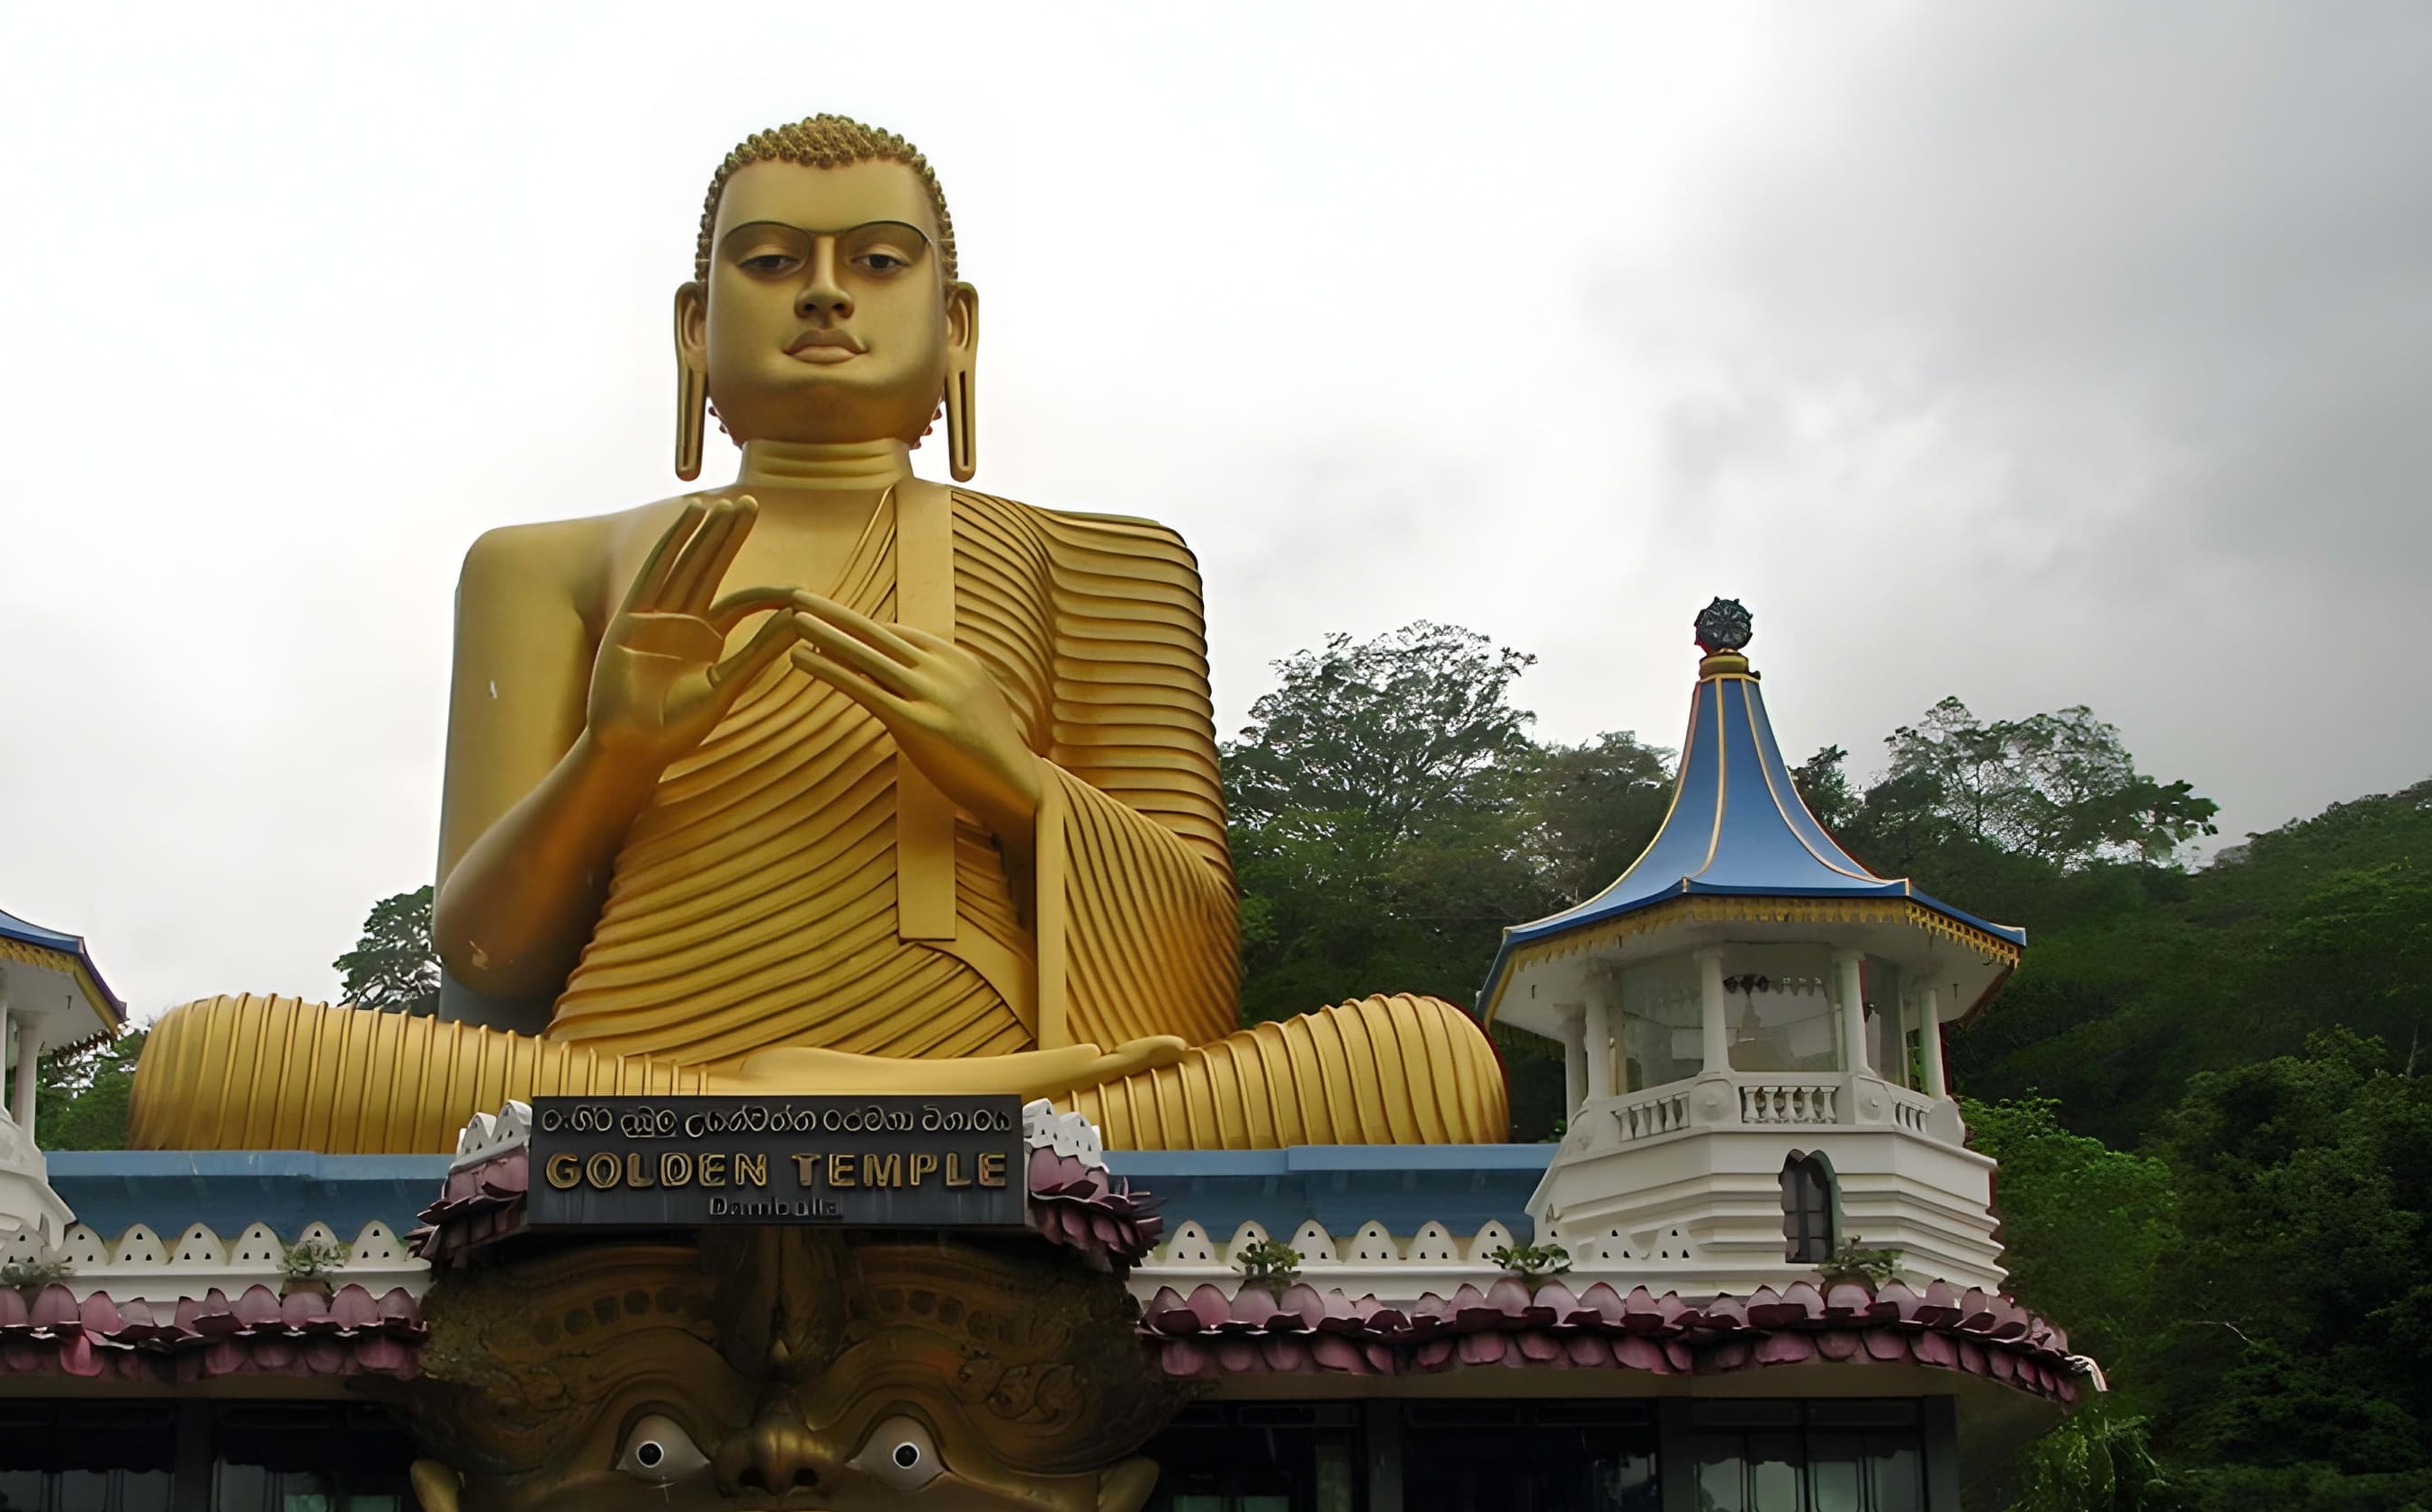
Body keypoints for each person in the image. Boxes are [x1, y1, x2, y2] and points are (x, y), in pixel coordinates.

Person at [128, 117, 1501, 1152]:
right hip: (631, 1084)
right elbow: (486, 972)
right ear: (694, 326)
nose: (826, 294)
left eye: (878, 262)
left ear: (955, 331)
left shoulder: (1104, 559)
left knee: (1428, 1063)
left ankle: (823, 1118)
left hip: (1012, 1088)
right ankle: (809, 1117)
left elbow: (1193, 969)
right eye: (772, 260)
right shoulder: (545, 565)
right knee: (203, 1063)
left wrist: (1010, 780)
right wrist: (612, 757)